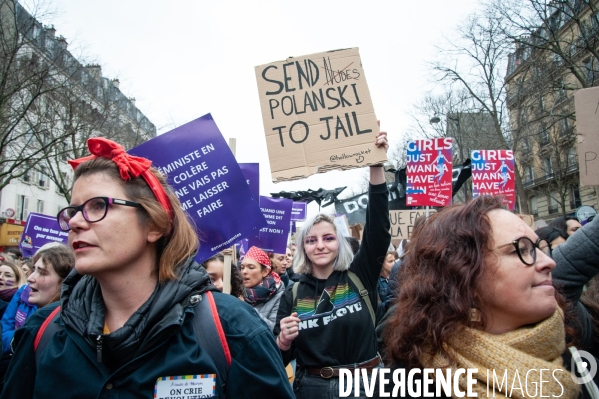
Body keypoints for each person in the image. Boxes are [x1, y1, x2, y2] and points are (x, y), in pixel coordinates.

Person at [1, 138, 293, 399]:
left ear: (154, 224)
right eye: (73, 210)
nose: (76, 222)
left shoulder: (232, 330)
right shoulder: (43, 332)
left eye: (98, 205)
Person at [383, 196, 585, 398]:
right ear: (463, 275)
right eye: (521, 250)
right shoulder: (414, 382)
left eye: (539, 248)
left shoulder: (577, 356)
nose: (549, 262)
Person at [275, 130, 390, 399]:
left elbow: (379, 230)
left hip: (367, 384)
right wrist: (282, 341)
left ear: (339, 242)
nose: (320, 245)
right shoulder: (292, 294)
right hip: (313, 388)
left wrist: (375, 163)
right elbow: (278, 357)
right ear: (303, 247)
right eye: (311, 240)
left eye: (328, 238)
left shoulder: (360, 275)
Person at [1, 243, 75, 356]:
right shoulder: (23, 293)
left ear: (66, 282)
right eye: (34, 269)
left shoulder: (69, 323)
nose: (30, 278)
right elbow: (4, 330)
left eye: (42, 273)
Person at [241, 246, 285, 332]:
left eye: (251, 267)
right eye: (242, 267)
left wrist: (245, 307)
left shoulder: (279, 295)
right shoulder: (235, 291)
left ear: (265, 272)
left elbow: (274, 329)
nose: (244, 272)